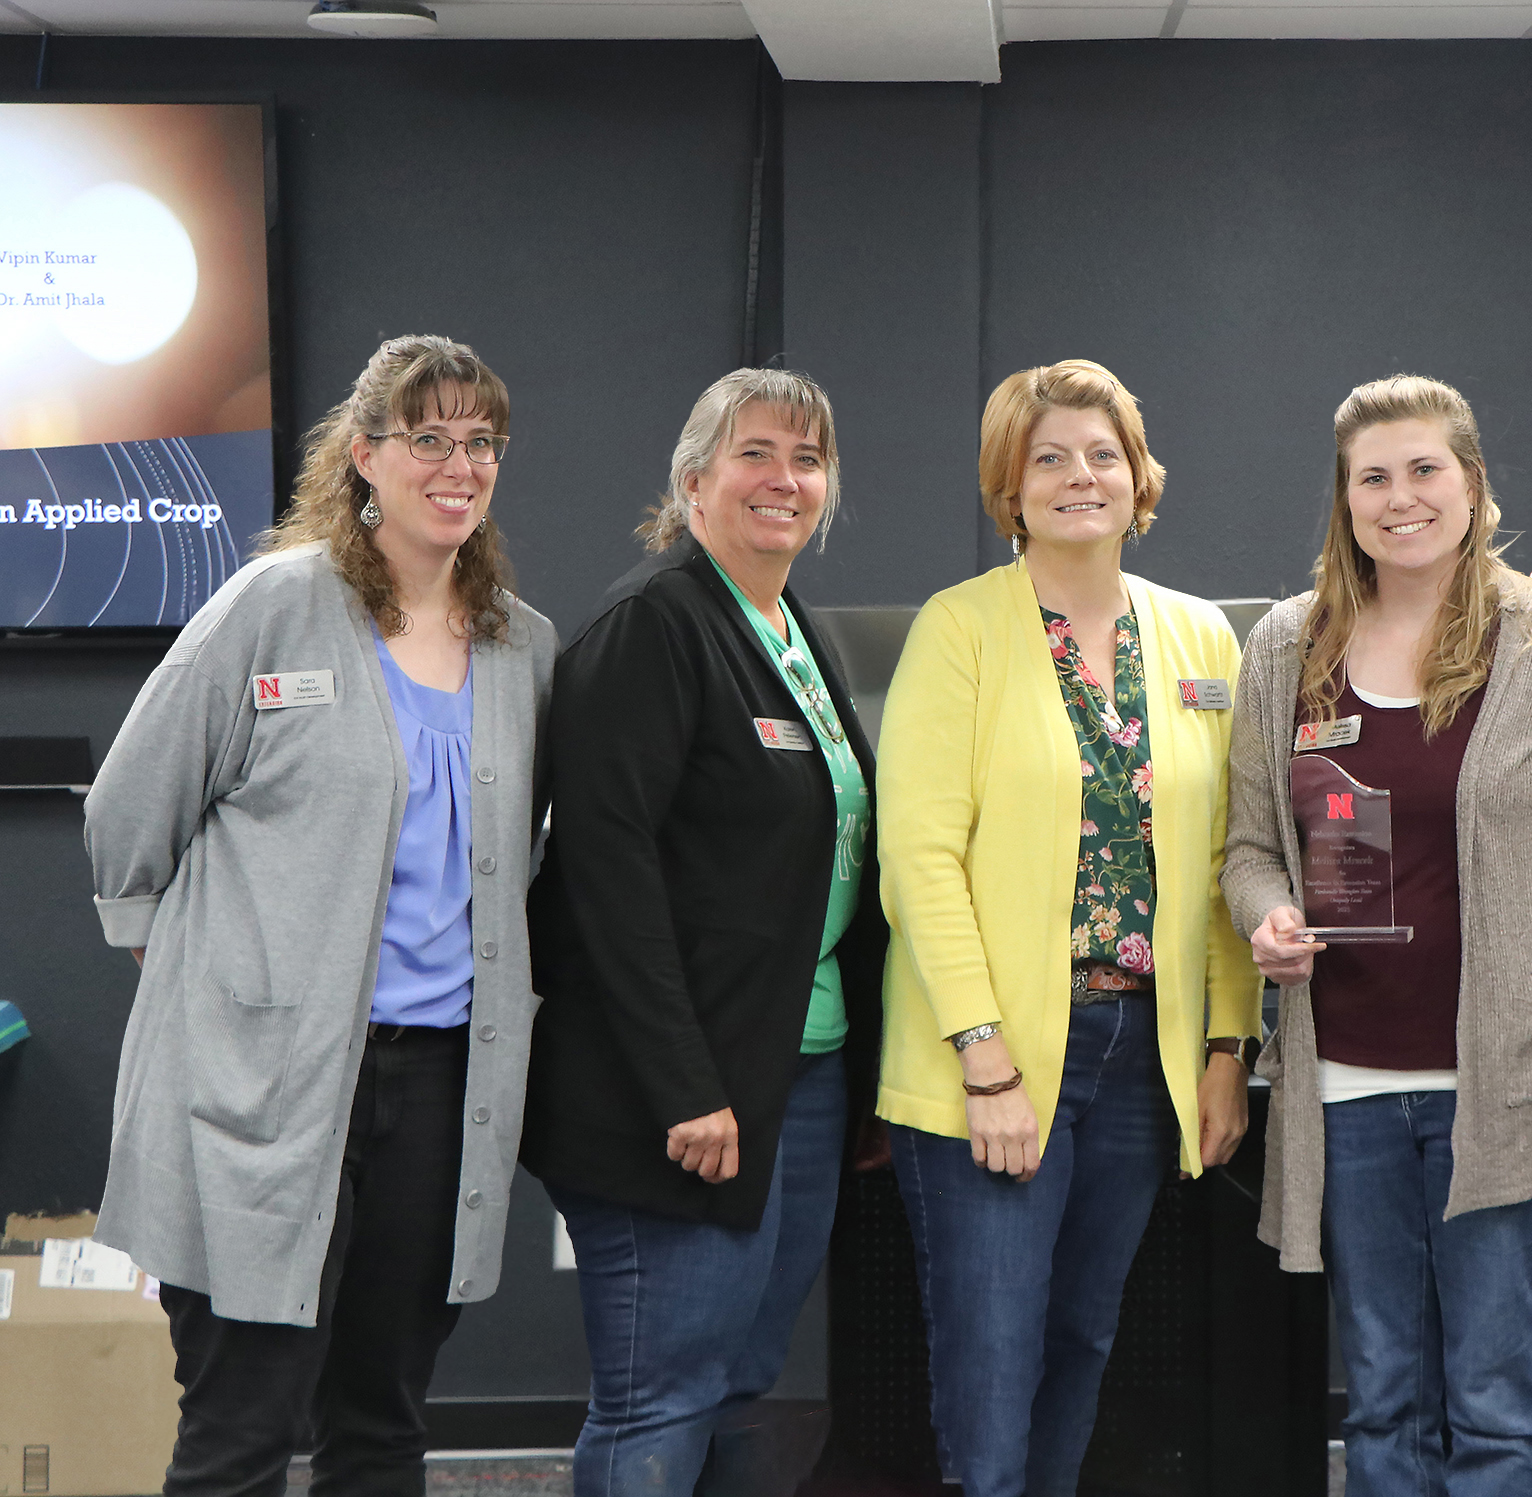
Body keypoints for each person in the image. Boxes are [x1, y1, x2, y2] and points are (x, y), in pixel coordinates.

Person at [83, 334, 553, 1496]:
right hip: (272, 1078)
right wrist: (195, 966)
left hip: (440, 1082)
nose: (459, 463)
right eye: (427, 437)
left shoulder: (521, 646)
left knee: (384, 1417)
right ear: (363, 457)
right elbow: (132, 808)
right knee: (245, 1420)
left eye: (480, 441)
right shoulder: (275, 608)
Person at [1223, 375, 1532, 1496]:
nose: (1401, 497)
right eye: (1374, 477)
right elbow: (1246, 851)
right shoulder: (1288, 646)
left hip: (1499, 1082)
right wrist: (1265, 918)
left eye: (1426, 470)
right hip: (1347, 1090)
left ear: (1472, 482)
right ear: (1346, 497)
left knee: (1492, 1398)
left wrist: (1530, 946)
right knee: (1381, 1398)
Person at [876, 359, 1262, 1497]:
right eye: (1048, 457)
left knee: (1084, 1341)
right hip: (992, 1061)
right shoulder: (961, 631)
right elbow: (919, 859)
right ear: (1011, 486)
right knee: (992, 1360)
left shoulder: (1201, 641)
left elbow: (1227, 863)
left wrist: (1228, 1049)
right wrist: (985, 1059)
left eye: (1102, 454)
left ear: (1139, 477)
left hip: (1147, 1057)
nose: (1078, 476)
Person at [519, 368, 885, 1496]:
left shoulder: (791, 630)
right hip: (677, 1097)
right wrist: (684, 1084)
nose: (785, 481)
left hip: (800, 1077)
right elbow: (604, 880)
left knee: (737, 1387)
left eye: (807, 460)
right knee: (661, 1400)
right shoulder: (652, 629)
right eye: (757, 454)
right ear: (693, 482)